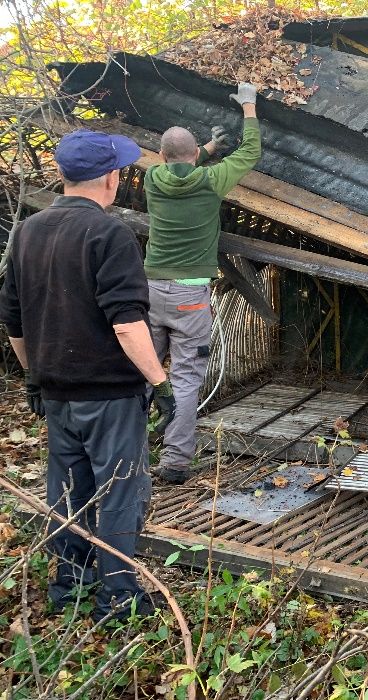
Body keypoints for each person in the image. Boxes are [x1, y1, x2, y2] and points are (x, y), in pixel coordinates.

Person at [0, 130, 177, 621]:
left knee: (68, 491)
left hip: (56, 393)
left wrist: (34, 375)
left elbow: (13, 319)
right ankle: (119, 600)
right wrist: (160, 384)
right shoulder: (109, 233)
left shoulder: (27, 232)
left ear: (61, 174)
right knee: (120, 492)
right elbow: (126, 321)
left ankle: (69, 588)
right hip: (110, 395)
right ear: (111, 179)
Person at [144, 82, 261, 485]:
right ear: (194, 156)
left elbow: (181, 161)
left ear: (162, 156)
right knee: (186, 379)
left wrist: (209, 148)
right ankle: (175, 463)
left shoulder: (152, 179)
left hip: (151, 291)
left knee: (143, 373)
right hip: (190, 297)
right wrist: (248, 105)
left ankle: (128, 453)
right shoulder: (212, 181)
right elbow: (250, 152)